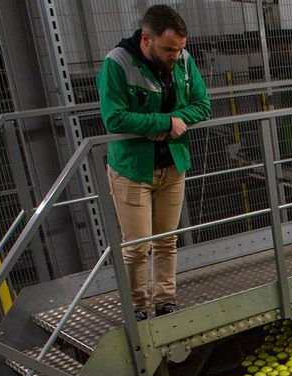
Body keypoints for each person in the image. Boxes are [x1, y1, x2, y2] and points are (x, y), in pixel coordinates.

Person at [98, 4, 210, 320]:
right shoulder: (117, 64)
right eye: (168, 49)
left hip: (173, 165)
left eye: (179, 49)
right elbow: (114, 117)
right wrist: (163, 123)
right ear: (146, 39)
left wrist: (174, 119)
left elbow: (203, 105)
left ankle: (165, 301)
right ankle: (138, 307)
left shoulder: (184, 62)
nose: (175, 55)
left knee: (166, 241)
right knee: (136, 247)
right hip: (133, 170)